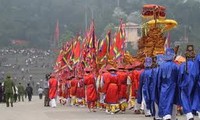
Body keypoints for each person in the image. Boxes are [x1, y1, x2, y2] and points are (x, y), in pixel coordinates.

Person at [157, 48, 179, 120]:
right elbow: (178, 77)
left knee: (163, 100)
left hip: (163, 86)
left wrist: (159, 86)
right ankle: (171, 116)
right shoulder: (175, 66)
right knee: (172, 101)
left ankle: (165, 115)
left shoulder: (161, 66)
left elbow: (159, 78)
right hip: (173, 86)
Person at [178, 45, 198, 120]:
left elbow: (180, 77)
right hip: (195, 85)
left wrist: (179, 84)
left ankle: (189, 114)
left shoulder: (182, 65)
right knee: (195, 98)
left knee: (185, 98)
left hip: (185, 85)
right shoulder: (196, 65)